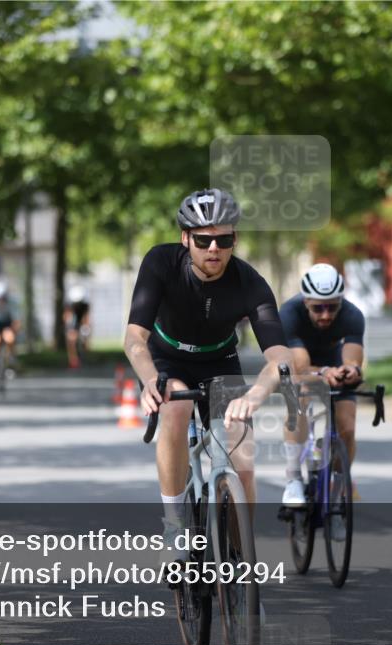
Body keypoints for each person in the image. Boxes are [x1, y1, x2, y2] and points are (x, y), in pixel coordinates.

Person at [123, 188, 293, 561]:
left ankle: (241, 560)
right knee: (175, 408)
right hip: (166, 360)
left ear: (235, 240)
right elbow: (135, 338)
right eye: (203, 239)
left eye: (224, 239)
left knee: (242, 461)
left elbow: (280, 356)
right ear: (186, 238)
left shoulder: (250, 282)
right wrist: (151, 378)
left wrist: (255, 395)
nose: (213, 248)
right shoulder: (160, 263)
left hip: (220, 362)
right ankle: (174, 522)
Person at [278, 263, 366, 525]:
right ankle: (293, 478)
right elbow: (301, 366)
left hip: (333, 359)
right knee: (299, 400)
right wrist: (322, 372)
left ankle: (337, 489)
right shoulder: (289, 314)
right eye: (318, 307)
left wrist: (351, 371)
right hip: (300, 360)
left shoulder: (352, 315)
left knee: (347, 426)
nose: (326, 314)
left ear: (341, 301)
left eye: (332, 307)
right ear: (306, 301)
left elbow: (353, 359)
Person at [64, 285, 91, 369]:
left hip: (81, 319)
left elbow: (86, 317)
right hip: (73, 320)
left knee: (84, 340)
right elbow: (67, 317)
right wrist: (70, 328)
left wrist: (86, 328)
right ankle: (73, 360)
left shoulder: (85, 304)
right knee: (71, 339)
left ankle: (82, 353)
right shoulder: (69, 304)